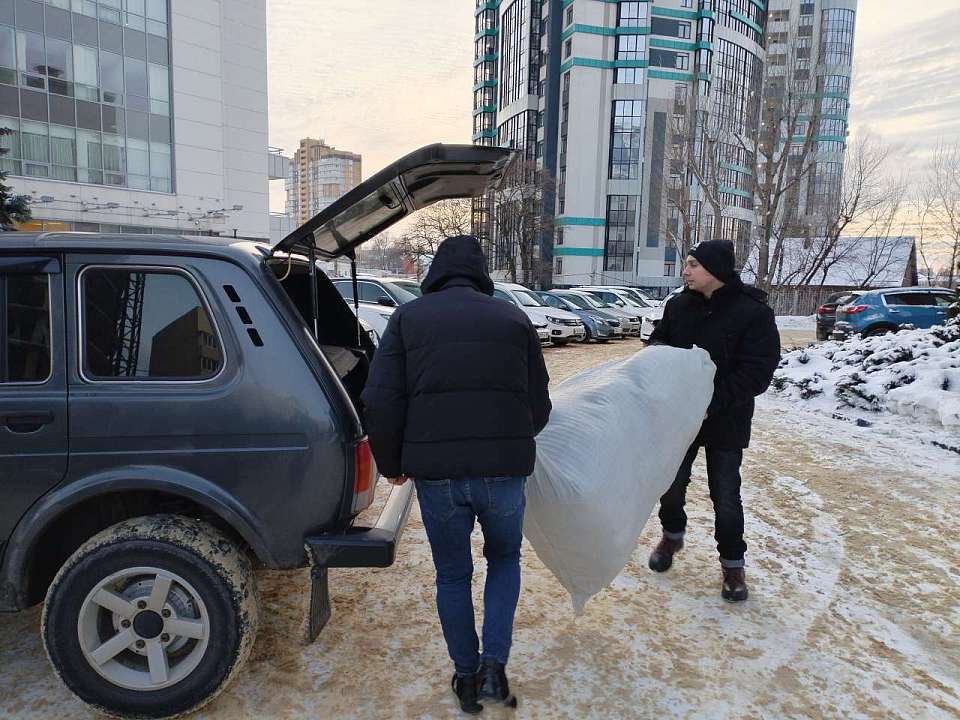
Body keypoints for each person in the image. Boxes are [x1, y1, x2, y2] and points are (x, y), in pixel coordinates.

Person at [361, 235, 551, 713]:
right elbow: (539, 403)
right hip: (504, 473)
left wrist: (391, 464)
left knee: (452, 574)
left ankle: (466, 676)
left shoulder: (407, 318)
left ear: (436, 273)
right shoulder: (513, 318)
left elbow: (380, 400)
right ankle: (495, 666)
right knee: (504, 559)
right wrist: (512, 437)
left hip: (438, 476)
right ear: (481, 272)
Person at [647, 240, 780, 602]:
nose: (686, 271)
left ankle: (733, 564)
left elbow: (757, 372)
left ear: (715, 269)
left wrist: (710, 402)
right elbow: (658, 343)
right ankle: (672, 536)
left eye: (693, 264)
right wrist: (656, 356)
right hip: (680, 416)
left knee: (725, 495)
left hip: (726, 417)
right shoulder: (678, 307)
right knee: (670, 484)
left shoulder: (753, 312)